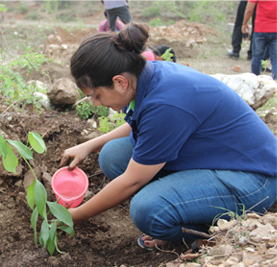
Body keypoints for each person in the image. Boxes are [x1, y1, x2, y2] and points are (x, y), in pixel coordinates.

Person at [61, 23, 277, 250]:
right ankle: (181, 206)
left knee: (147, 209)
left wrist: (74, 215)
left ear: (120, 82)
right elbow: (140, 124)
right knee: (112, 155)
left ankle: (200, 232)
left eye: (96, 95)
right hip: (218, 158)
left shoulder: (166, 103)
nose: (96, 103)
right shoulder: (147, 76)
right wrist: (89, 145)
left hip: (253, 179)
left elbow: (132, 180)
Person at [242, 0, 276, 79]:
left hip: (261, 28)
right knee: (275, 59)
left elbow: (249, 10)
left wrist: (244, 23)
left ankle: (255, 80)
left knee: (257, 58)